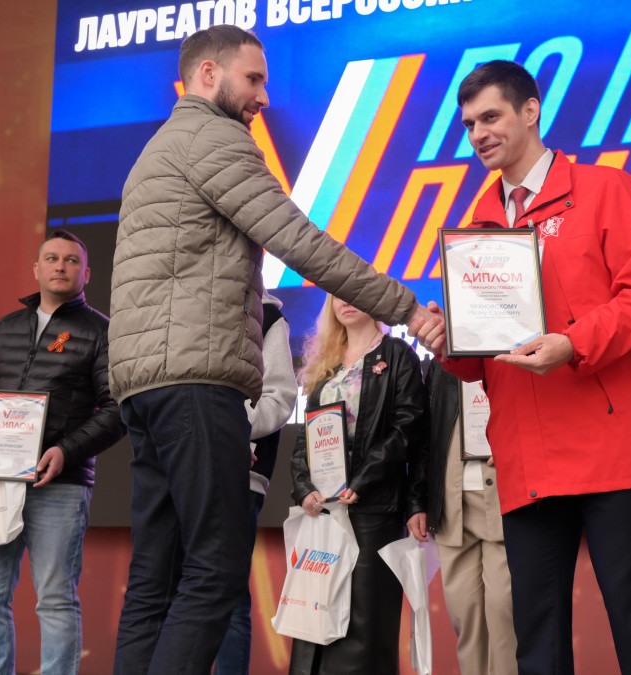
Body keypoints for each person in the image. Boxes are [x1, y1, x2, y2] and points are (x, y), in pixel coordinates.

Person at [109, 25, 442, 673]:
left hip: (145, 388)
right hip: (197, 381)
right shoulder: (215, 138)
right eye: (253, 78)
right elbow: (300, 243)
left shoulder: (158, 147)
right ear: (208, 74)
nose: (264, 95)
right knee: (214, 567)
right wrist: (405, 308)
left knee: (153, 578)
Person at [436, 60, 631, 675]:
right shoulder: (474, 227)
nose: (478, 134)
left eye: (490, 117)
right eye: (468, 125)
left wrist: (572, 344)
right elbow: (482, 366)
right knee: (538, 649)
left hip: (614, 452)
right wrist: (447, 341)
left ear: (531, 111)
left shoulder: (606, 189)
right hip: (528, 460)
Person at [0, 230, 125, 675]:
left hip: (61, 484)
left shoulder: (102, 331)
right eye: (51, 258)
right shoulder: (6, 327)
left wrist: (65, 452)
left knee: (54, 599)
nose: (60, 266)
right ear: (36, 269)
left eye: (71, 260)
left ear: (86, 273)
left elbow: (117, 410)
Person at [288, 294, 428, 675]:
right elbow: (304, 441)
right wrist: (302, 487)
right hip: (324, 513)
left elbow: (408, 428)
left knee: (363, 628)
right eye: (337, 295)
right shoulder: (326, 363)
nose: (346, 302)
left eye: (354, 293)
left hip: (374, 509)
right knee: (313, 623)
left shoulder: (397, 355)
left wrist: (363, 479)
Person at [213, 292, 297, 675]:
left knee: (229, 597)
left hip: (240, 475)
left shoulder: (270, 318)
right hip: (182, 467)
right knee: (171, 589)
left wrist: (231, 430)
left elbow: (279, 395)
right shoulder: (191, 300)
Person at [420, 360, 517, 675]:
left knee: (505, 614)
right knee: (465, 615)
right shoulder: (441, 363)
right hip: (452, 500)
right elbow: (425, 434)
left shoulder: (514, 352)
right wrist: (416, 500)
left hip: (505, 497)